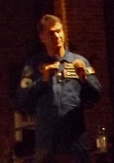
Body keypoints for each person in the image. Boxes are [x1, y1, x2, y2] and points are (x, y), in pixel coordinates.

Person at [17, 14, 103, 163]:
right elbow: (23, 99)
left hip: (75, 142)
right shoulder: (33, 65)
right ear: (42, 37)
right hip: (47, 144)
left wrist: (84, 79)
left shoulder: (80, 62)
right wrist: (43, 81)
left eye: (59, 31)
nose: (57, 36)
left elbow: (96, 96)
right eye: (51, 33)